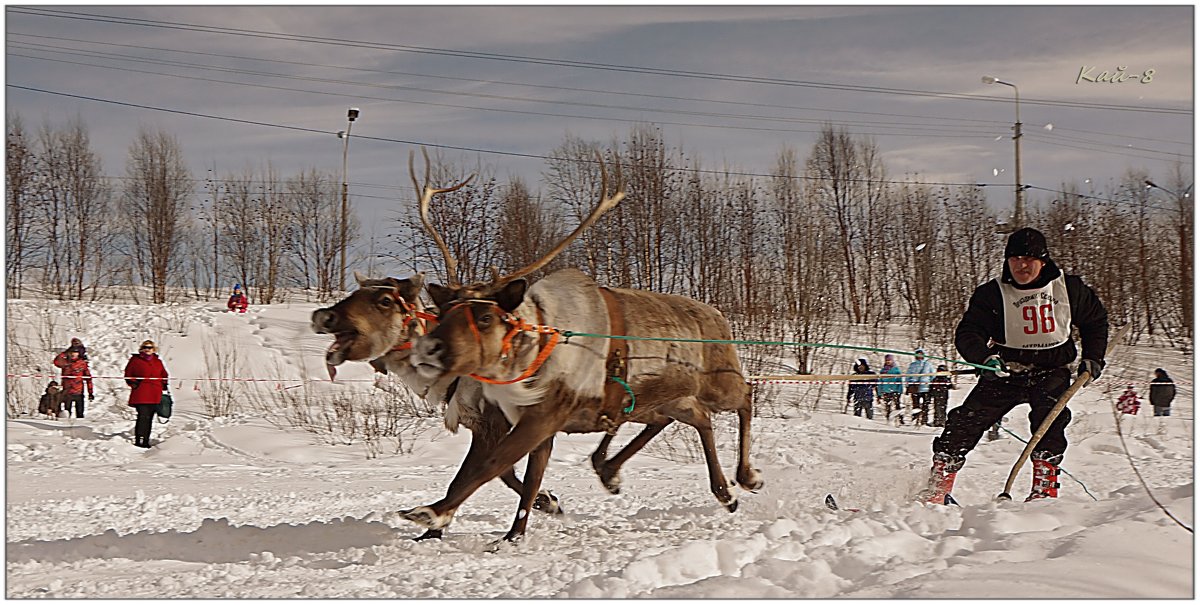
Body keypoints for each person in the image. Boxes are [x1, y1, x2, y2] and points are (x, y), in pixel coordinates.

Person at [920, 227, 1108, 504]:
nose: (1022, 265)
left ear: (1043, 261)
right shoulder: (992, 294)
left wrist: (1093, 357)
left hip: (1051, 371)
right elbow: (969, 332)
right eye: (1016, 258)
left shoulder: (1069, 289)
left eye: (1030, 259)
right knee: (965, 421)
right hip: (1005, 371)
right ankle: (939, 486)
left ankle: (1044, 490)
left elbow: (1095, 322)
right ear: (1007, 261)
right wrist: (983, 359)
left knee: (1049, 421)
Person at [124, 339, 169, 448]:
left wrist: (164, 383)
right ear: (141, 349)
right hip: (141, 393)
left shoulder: (157, 361)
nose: (147, 350)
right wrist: (133, 383)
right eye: (145, 347)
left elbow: (164, 374)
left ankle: (146, 440)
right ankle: (139, 439)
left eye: (150, 348)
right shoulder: (135, 360)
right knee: (143, 416)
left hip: (154, 394)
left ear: (153, 349)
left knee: (149, 418)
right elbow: (128, 373)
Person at [53, 347, 94, 418]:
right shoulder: (65, 362)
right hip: (67, 392)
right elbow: (56, 362)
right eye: (71, 352)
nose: (73, 354)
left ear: (78, 354)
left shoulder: (82, 364)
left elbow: (88, 379)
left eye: (75, 352)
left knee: (80, 414)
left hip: (79, 392)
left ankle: (79, 428)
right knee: (66, 414)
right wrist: (64, 353)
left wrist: (90, 392)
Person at [905, 349, 936, 426]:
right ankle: (919, 420)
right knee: (920, 405)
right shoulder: (915, 365)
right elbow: (933, 376)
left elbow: (933, 376)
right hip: (920, 387)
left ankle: (920, 420)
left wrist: (908, 385)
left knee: (921, 405)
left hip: (922, 387)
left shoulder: (926, 365)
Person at [877, 354, 904, 424]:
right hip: (886, 391)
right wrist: (879, 393)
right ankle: (888, 419)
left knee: (897, 405)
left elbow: (899, 381)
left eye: (889, 360)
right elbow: (880, 382)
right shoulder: (883, 371)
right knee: (887, 406)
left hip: (895, 390)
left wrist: (900, 390)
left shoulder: (896, 370)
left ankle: (900, 419)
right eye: (887, 360)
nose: (888, 361)